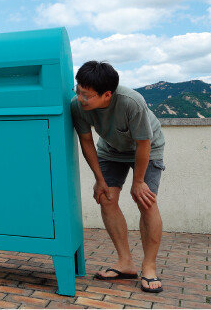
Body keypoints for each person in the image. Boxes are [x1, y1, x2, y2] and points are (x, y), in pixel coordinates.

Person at [70, 61, 165, 294]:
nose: (80, 98)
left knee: (145, 200)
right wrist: (99, 179)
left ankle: (149, 266)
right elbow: (86, 141)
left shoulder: (132, 102)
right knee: (106, 197)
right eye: (78, 91)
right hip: (111, 150)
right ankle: (125, 263)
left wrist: (138, 181)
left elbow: (144, 143)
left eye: (86, 95)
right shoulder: (77, 105)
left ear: (107, 95)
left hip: (147, 148)